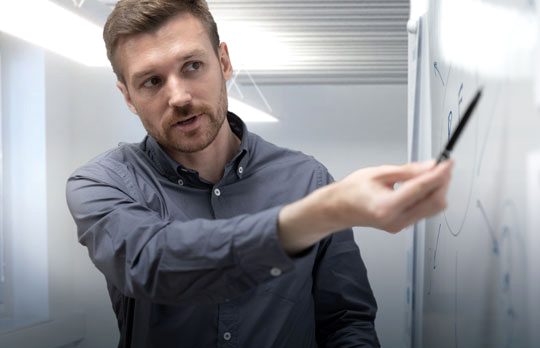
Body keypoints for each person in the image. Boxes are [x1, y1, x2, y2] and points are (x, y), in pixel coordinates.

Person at [65, 0, 453, 347]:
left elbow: (345, 321)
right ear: (129, 97)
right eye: (152, 81)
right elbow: (152, 260)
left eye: (192, 66)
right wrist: (319, 214)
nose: (179, 96)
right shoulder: (102, 184)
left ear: (224, 62)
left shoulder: (307, 179)